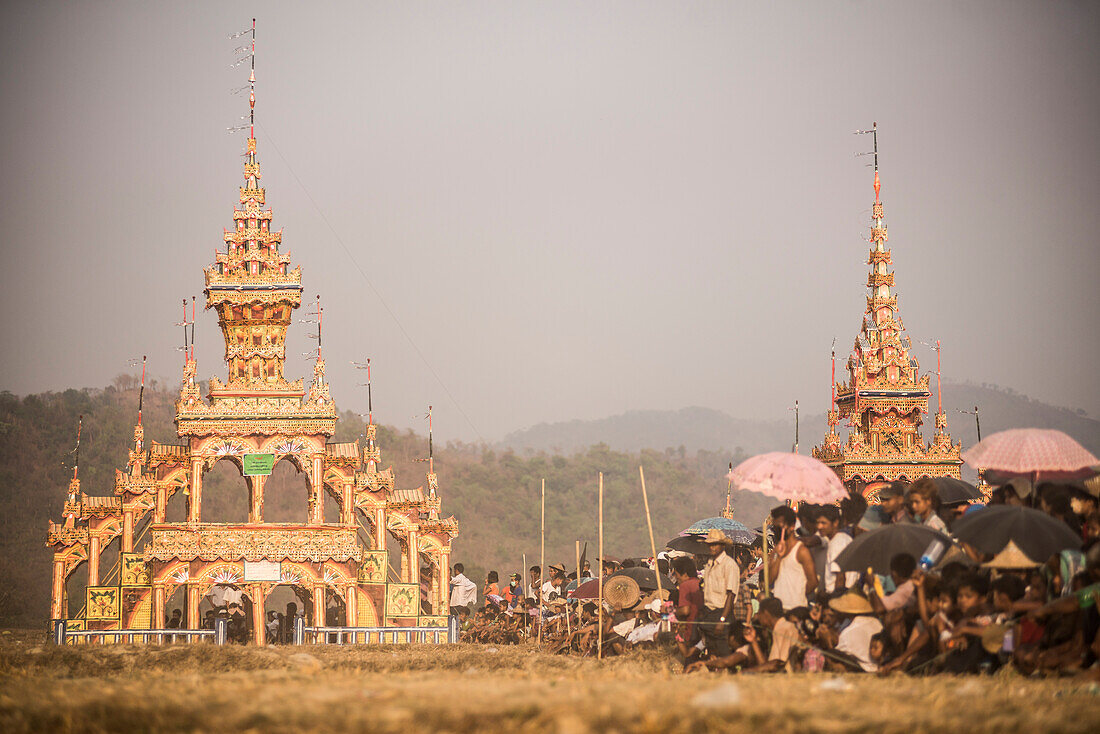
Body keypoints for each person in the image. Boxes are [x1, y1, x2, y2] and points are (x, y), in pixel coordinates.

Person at [700, 529, 740, 660]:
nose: (712, 547)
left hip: (722, 612)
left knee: (724, 651)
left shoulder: (729, 565)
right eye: (710, 544)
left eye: (715, 544)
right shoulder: (709, 564)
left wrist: (722, 620)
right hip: (709, 612)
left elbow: (731, 594)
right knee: (712, 651)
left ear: (722, 545)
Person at [768, 506, 817, 611]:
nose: (777, 531)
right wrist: (779, 558)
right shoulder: (776, 551)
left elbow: (813, 582)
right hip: (778, 609)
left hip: (796, 609)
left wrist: (797, 594)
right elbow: (770, 578)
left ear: (792, 526)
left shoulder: (801, 551)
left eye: (780, 528)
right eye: (775, 528)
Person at [741, 597, 801, 673]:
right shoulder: (779, 628)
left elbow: (777, 664)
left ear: (765, 614)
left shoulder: (783, 628)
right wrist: (753, 641)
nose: (758, 617)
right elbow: (767, 666)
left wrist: (747, 671)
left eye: (759, 613)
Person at [671, 555, 704, 666]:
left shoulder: (685, 585)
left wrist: (672, 612)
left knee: (690, 662)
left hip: (692, 629)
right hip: (703, 628)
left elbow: (685, 610)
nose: (676, 577)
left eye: (676, 573)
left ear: (684, 574)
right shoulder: (698, 583)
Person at [817, 506, 855, 596]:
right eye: (818, 523)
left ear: (835, 523)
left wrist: (836, 602)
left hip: (840, 595)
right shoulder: (843, 538)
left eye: (823, 523)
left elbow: (840, 577)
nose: (819, 526)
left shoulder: (837, 543)